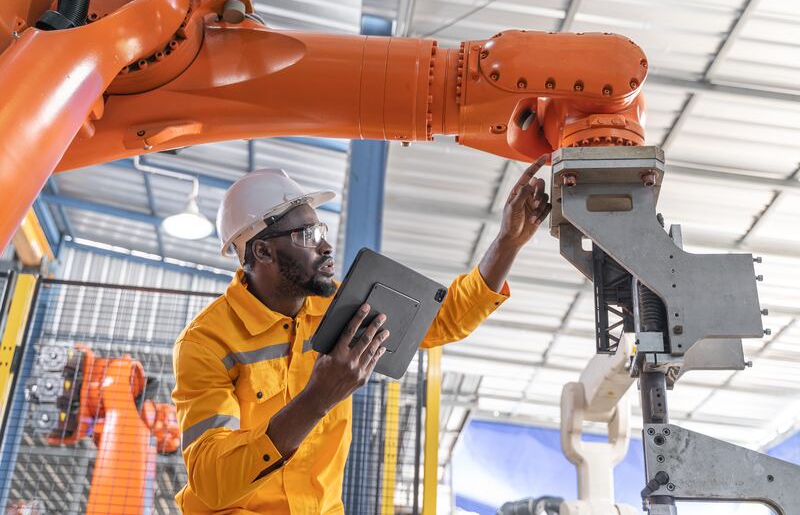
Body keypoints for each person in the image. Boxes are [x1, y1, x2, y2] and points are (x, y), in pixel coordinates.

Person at [171, 155, 552, 514]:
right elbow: (210, 480)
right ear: (263, 252)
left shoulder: (339, 307)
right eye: (307, 235)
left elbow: (442, 320)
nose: (325, 245)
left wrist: (508, 242)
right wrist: (316, 399)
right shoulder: (207, 343)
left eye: (321, 229)